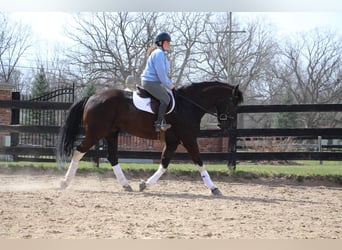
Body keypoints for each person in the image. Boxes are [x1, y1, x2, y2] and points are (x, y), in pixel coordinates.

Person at [141, 32, 175, 132]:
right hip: (150, 82)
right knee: (166, 98)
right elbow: (161, 75)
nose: (169, 44)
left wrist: (169, 84)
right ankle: (159, 123)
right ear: (160, 43)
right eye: (167, 42)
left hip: (154, 82)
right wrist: (170, 86)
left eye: (169, 42)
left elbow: (163, 75)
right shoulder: (159, 54)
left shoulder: (161, 54)